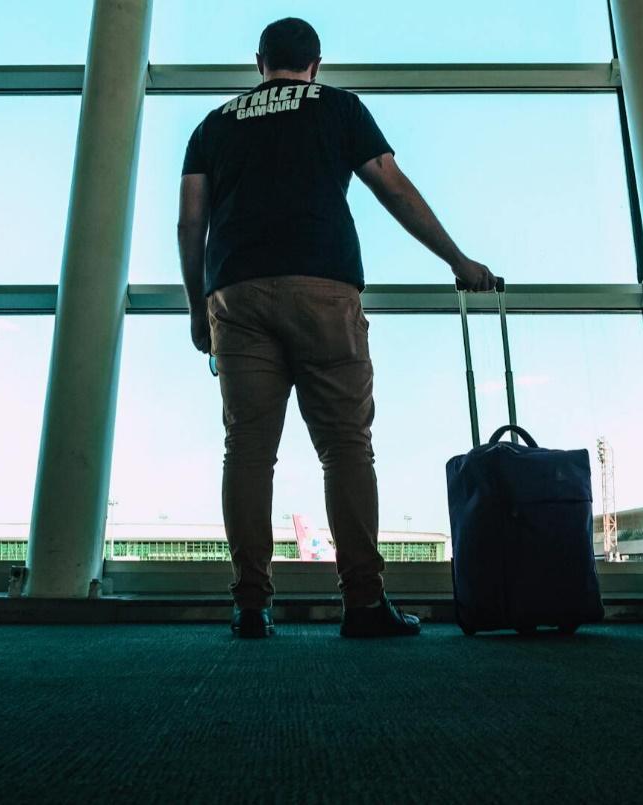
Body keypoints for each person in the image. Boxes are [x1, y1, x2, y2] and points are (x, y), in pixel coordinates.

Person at [177, 17, 497, 639]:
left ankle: (249, 604)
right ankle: (363, 602)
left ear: (259, 63)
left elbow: (191, 223)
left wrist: (198, 305)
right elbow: (392, 187)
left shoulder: (213, 124)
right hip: (323, 287)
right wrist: (458, 260)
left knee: (247, 451)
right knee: (346, 447)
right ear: (316, 64)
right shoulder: (340, 108)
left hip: (236, 294)